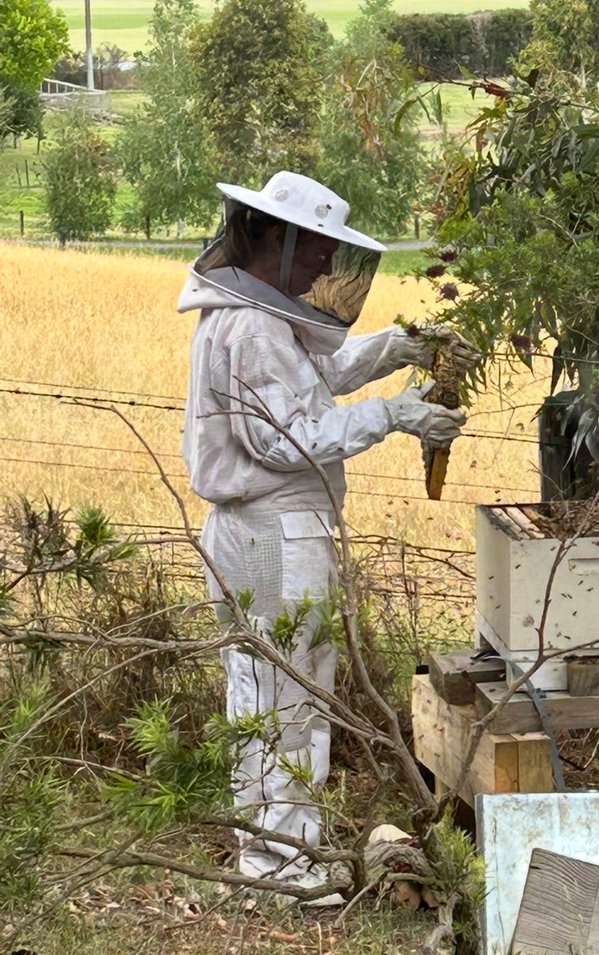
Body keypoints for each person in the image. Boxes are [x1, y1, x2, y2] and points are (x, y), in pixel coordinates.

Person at [179, 171, 477, 894]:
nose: (323, 263)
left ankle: (282, 852)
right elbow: (288, 439)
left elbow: (314, 380)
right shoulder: (251, 327)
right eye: (314, 247)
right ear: (276, 239)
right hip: (271, 533)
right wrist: (394, 414)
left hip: (268, 530)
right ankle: (281, 866)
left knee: (279, 689)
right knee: (281, 697)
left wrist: (398, 347)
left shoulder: (258, 315)